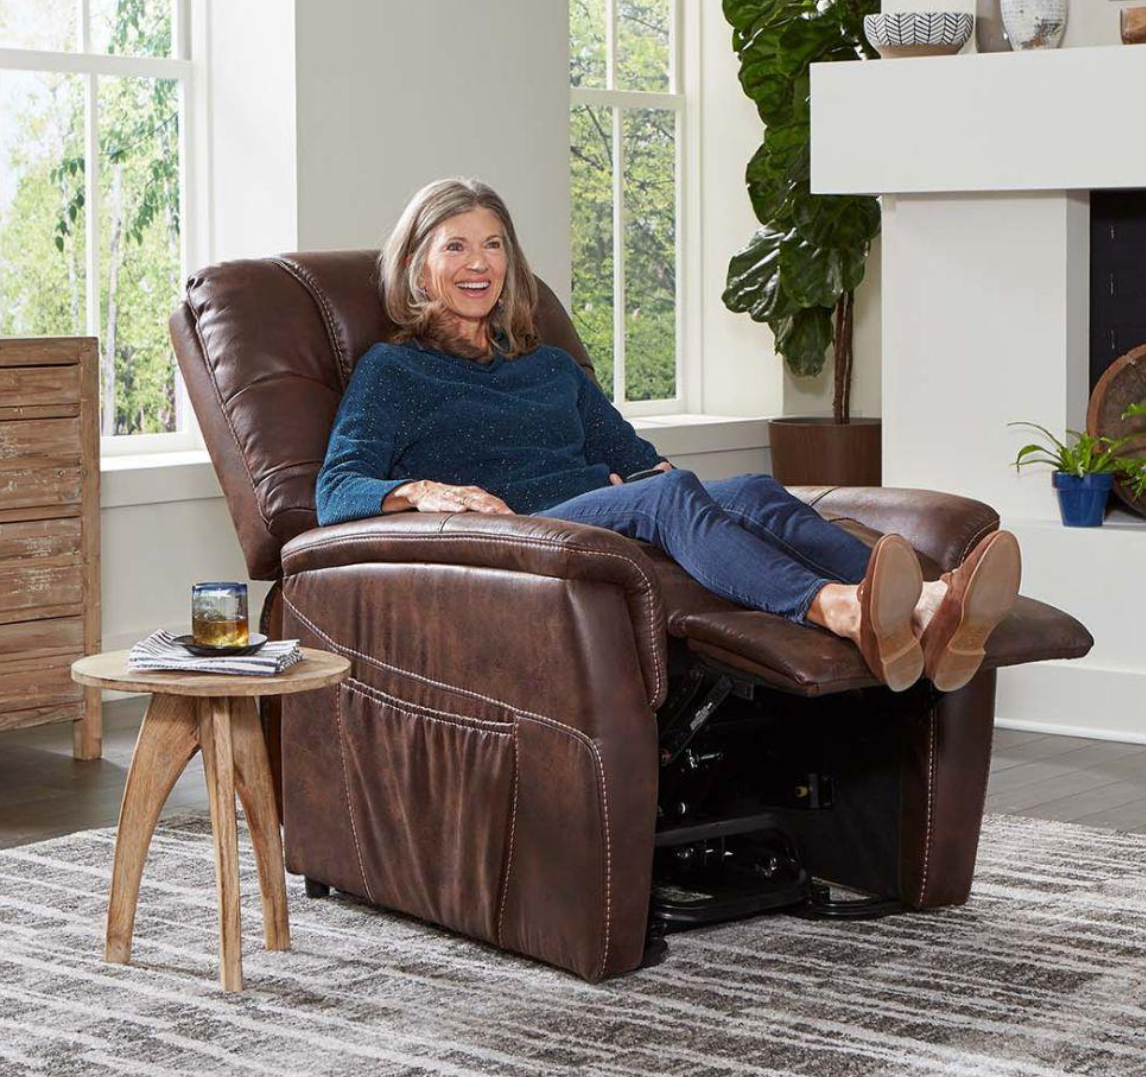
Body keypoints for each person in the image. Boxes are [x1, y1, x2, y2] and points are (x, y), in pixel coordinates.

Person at [316, 178, 1022, 693]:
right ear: (418, 264)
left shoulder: (549, 365)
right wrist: (427, 491)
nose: (480, 263)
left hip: (603, 515)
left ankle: (928, 602)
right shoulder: (395, 370)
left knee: (745, 486)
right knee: (670, 496)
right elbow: (335, 490)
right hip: (523, 534)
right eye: (457, 246)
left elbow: (636, 462)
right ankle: (840, 607)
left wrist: (673, 500)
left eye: (494, 245)